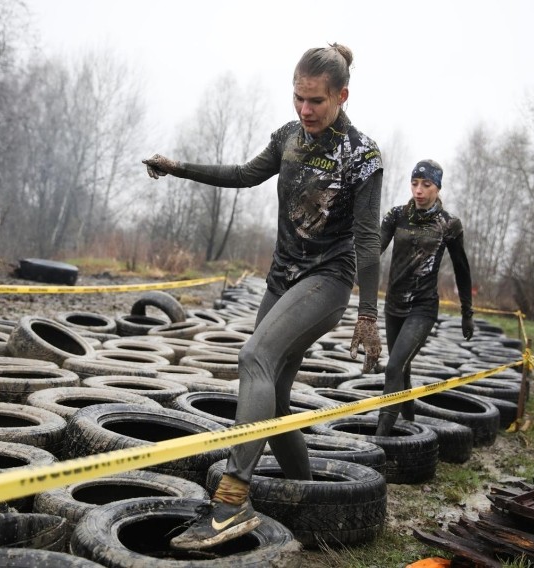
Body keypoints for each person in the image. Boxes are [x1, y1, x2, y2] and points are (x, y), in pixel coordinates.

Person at [143, 43, 383, 549]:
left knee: (254, 356)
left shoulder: (363, 157)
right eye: (298, 98)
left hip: (328, 280)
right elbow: (243, 175)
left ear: (342, 95)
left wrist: (367, 313)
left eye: (316, 100)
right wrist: (178, 167)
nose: (305, 109)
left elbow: (366, 237)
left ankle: (231, 502)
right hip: (281, 279)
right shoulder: (288, 137)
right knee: (270, 397)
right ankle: (312, 497)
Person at [376, 159, 474, 436]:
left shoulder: (448, 224)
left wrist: (468, 312)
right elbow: (376, 249)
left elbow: (462, 269)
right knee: (401, 367)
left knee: (393, 366)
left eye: (426, 185)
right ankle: (408, 419)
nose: (418, 190)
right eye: (415, 183)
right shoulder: (396, 216)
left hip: (423, 307)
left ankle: (381, 438)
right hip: (393, 304)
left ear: (437, 187)